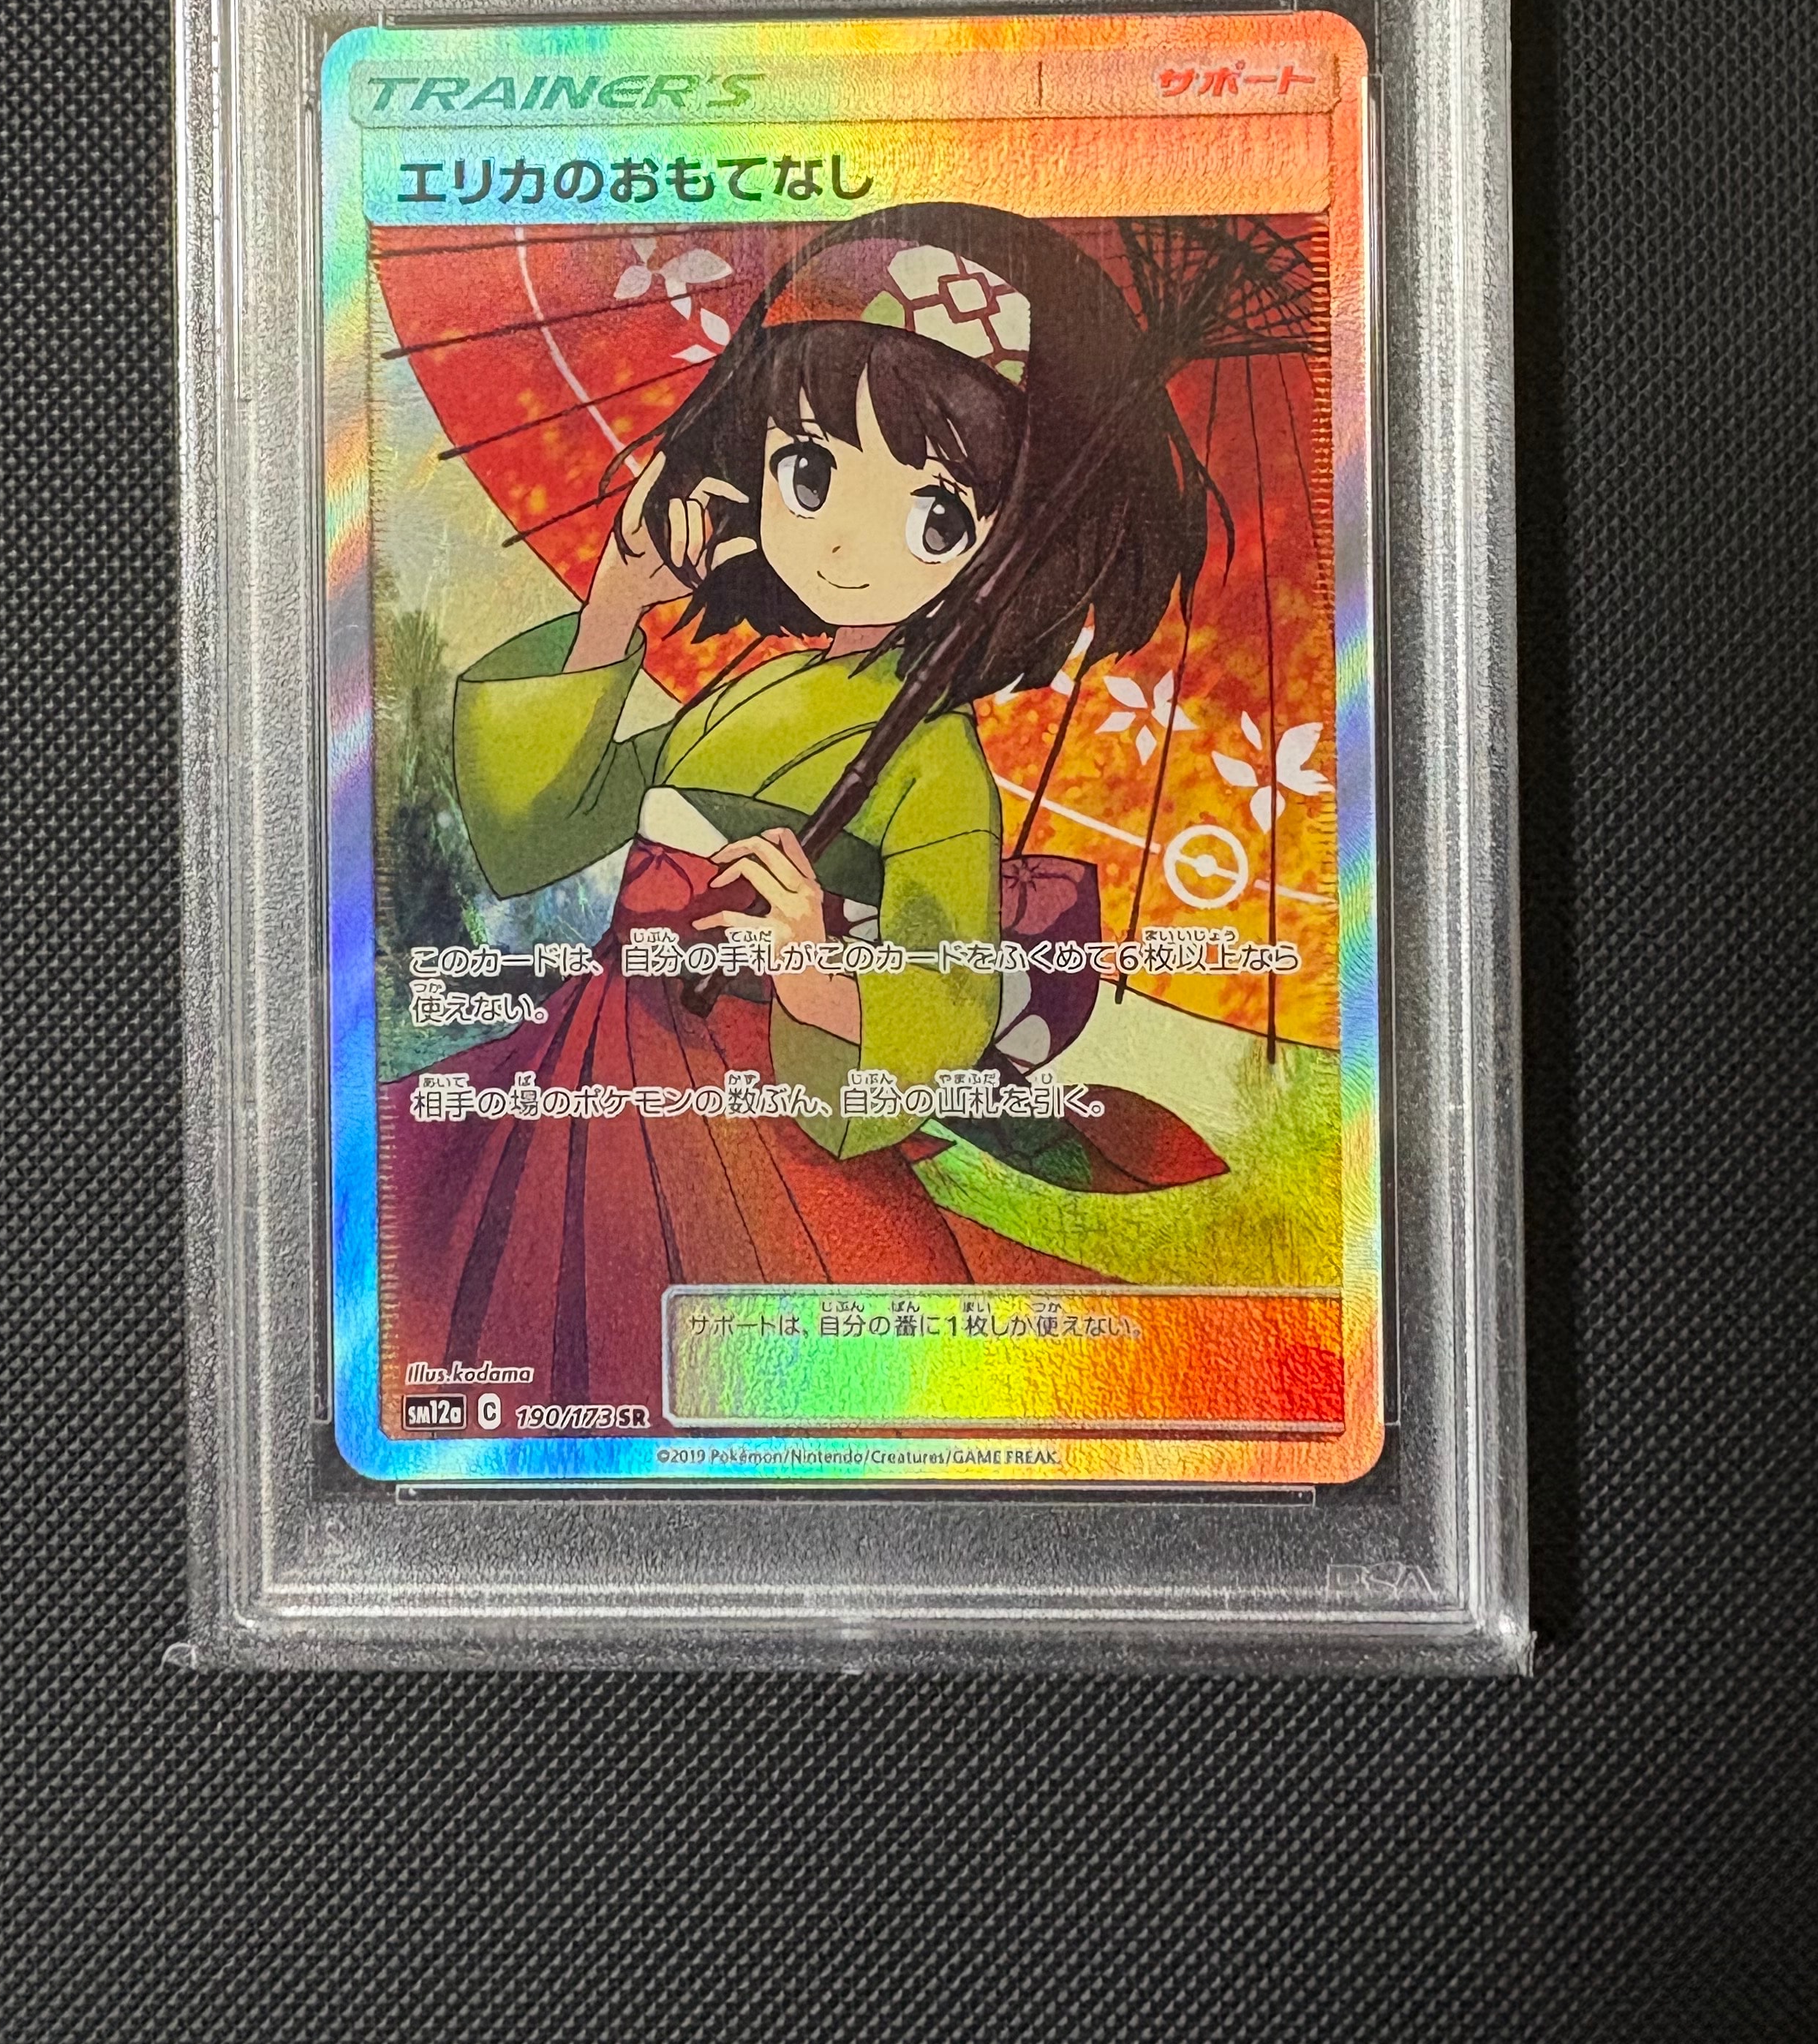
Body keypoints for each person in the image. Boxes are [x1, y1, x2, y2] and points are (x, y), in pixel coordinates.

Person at [380, 202, 1211, 1414]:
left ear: (1013, 548)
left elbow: (946, 992)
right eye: (809, 471)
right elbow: (539, 834)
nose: (849, 546)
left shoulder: (934, 760)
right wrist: (616, 607)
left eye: (935, 516)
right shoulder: (756, 684)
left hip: (754, 1111)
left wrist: (816, 965)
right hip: (602, 1060)